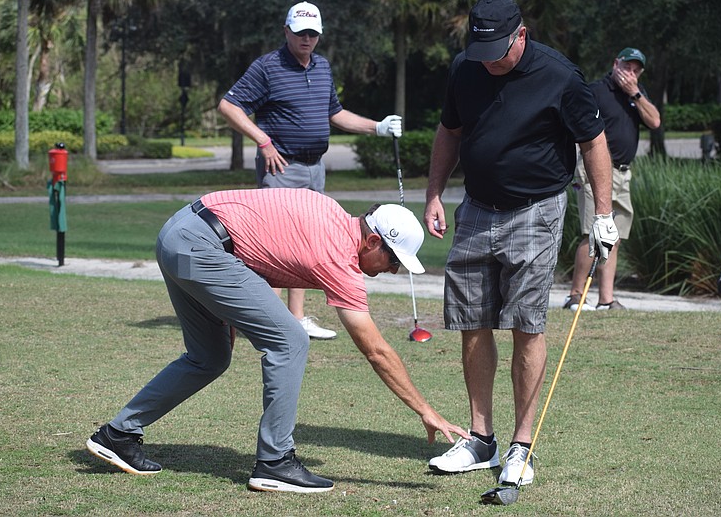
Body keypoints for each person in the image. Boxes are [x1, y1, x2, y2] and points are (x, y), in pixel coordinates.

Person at [86, 188, 469, 493]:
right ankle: (275, 462)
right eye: (393, 260)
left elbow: (267, 236)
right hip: (203, 247)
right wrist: (425, 410)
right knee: (291, 340)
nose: (392, 270)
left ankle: (118, 434)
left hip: (179, 233)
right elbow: (377, 351)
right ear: (371, 241)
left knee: (209, 357)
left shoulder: (330, 210)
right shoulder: (338, 258)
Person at [422, 0, 619, 488]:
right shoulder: (466, 67)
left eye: (497, 51)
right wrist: (433, 195)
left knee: (526, 325)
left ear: (522, 35)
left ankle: (520, 447)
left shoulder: (560, 75)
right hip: (476, 208)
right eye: (480, 50)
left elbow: (593, 142)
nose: (488, 61)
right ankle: (480, 440)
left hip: (535, 210)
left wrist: (603, 214)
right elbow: (450, 131)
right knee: (472, 321)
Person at [218, 1, 403, 340]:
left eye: (312, 34)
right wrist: (262, 140)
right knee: (273, 243)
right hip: (281, 167)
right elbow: (228, 105)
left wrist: (378, 127)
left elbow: (335, 113)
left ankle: (296, 318)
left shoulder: (321, 67)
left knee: (306, 241)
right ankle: (262, 320)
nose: (306, 39)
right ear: (286, 31)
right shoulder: (267, 67)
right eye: (300, 32)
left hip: (314, 168)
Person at [564, 48, 661, 311]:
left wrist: (636, 94)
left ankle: (606, 299)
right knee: (591, 232)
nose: (631, 73)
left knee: (613, 236)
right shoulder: (596, 90)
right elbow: (574, 126)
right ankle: (575, 296)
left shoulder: (637, 95)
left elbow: (654, 121)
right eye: (627, 66)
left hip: (622, 173)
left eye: (636, 70)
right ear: (615, 63)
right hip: (593, 170)